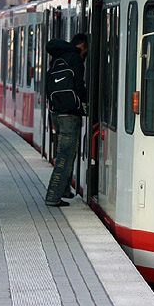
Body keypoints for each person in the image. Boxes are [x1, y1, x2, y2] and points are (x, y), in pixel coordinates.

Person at [44, 33, 88, 207]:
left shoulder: (57, 58)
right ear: (83, 45)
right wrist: (85, 101)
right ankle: (53, 195)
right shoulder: (75, 59)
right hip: (70, 113)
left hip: (57, 111)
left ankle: (64, 190)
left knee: (68, 152)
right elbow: (78, 86)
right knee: (65, 155)